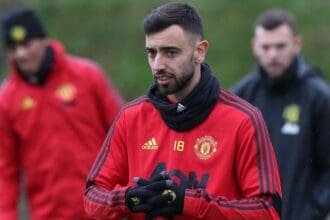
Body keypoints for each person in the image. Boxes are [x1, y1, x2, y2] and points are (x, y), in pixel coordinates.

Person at [84, 2, 282, 220]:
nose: (158, 64)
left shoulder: (243, 120)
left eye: (170, 53)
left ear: (199, 51)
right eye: (152, 53)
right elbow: (93, 196)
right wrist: (127, 199)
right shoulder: (131, 117)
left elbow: (267, 211)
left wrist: (187, 204)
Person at [0, 8, 125, 220]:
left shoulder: (87, 76)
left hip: (102, 209)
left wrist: (128, 196)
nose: (20, 54)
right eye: (13, 48)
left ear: (42, 41)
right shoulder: (7, 99)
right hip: (49, 214)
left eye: (26, 44)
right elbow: (5, 170)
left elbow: (123, 136)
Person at [232, 8, 330, 220]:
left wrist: (313, 212)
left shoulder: (319, 97)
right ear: (254, 47)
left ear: (297, 45)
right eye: (266, 47)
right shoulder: (241, 97)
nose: (273, 54)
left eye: (280, 46)